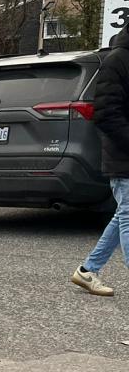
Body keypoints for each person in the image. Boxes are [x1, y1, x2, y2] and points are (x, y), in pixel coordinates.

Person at [72, 27, 129, 297]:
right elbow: (106, 113)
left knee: (123, 214)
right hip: (124, 157)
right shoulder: (117, 60)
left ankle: (88, 270)